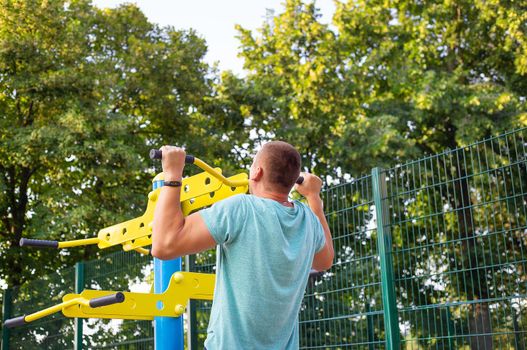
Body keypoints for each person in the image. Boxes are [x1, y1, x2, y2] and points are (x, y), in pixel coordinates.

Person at [152, 141, 334, 350]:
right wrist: (313, 197)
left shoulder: (242, 208)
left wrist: (172, 175)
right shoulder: (308, 220)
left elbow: (164, 246)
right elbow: (325, 260)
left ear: (256, 172)